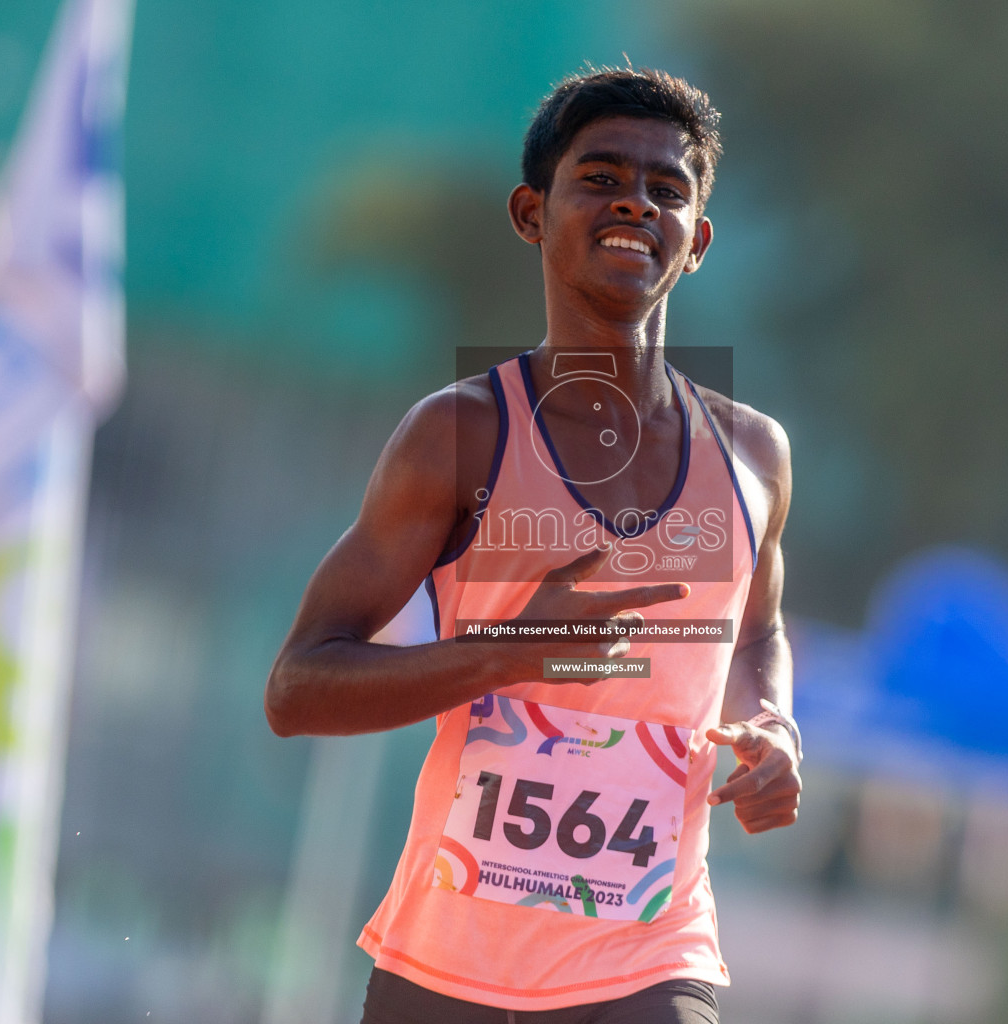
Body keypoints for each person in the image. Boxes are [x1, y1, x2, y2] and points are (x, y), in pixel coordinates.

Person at [266, 65, 800, 1024]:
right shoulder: (458, 435)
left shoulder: (755, 455)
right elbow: (298, 689)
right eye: (600, 177)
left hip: (648, 959)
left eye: (666, 189)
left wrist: (774, 730)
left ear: (698, 241)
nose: (636, 200)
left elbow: (756, 635)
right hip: (447, 969)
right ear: (531, 212)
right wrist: (511, 650)